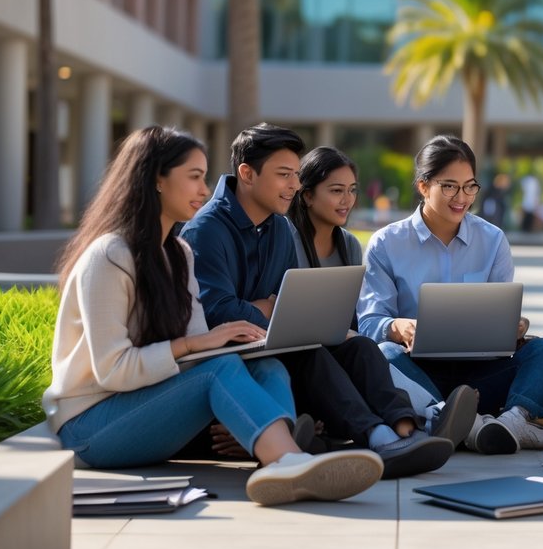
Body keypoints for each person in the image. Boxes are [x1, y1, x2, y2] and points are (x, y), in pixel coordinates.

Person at [42, 126, 383, 506]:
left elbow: (199, 359)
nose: (205, 191)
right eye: (194, 177)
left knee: (267, 367)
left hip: (149, 404)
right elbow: (113, 370)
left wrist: (222, 367)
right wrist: (192, 343)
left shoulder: (179, 254)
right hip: (91, 426)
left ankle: (281, 458)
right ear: (156, 180)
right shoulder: (108, 257)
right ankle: (289, 460)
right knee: (218, 370)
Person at [182, 124, 454, 479]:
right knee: (311, 355)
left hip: (269, 346)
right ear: (247, 173)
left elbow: (289, 302)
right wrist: (267, 307)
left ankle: (406, 431)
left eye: (296, 175)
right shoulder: (206, 230)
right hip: (231, 365)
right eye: (284, 175)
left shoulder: (279, 228)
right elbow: (220, 314)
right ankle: (377, 437)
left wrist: (281, 311)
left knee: (363, 349)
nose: (294, 185)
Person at [357, 135, 543, 454]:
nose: (461, 197)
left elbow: (501, 313)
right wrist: (397, 327)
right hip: (416, 373)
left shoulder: (492, 240)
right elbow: (368, 323)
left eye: (469, 186)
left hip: (481, 373)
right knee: (383, 354)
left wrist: (511, 326)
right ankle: (462, 421)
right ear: (424, 186)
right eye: (450, 186)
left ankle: (511, 424)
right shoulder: (386, 243)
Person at [287, 146, 478, 446]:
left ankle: (408, 428)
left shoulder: (348, 245)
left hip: (336, 347)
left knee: (364, 348)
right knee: (362, 351)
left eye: (351, 190)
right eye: (336, 190)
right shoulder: (286, 240)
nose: (347, 200)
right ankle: (403, 429)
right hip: (298, 353)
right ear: (307, 195)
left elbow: (349, 320)